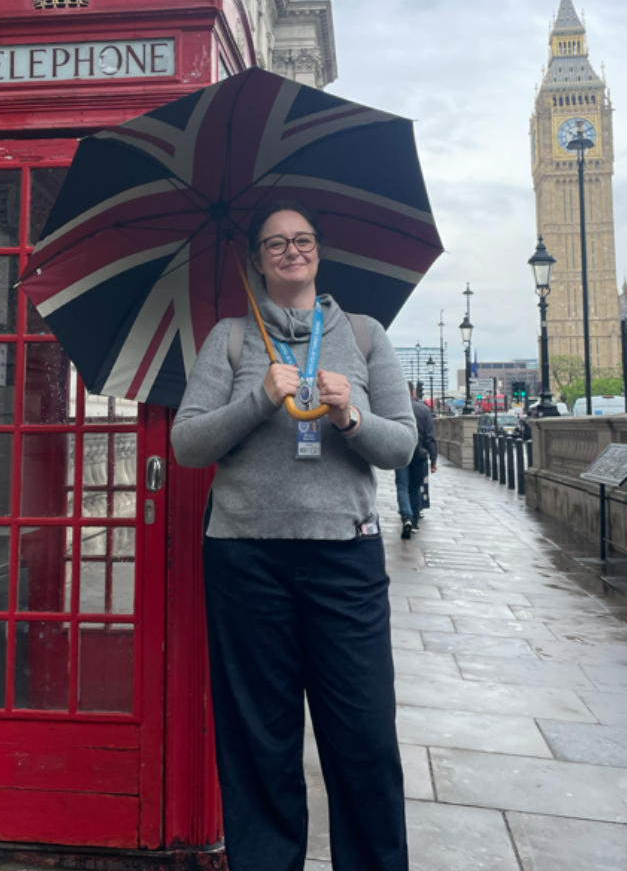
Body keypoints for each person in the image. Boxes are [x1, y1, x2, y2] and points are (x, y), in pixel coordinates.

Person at [171, 200, 417, 871]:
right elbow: (187, 443)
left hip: (345, 558)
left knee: (364, 738)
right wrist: (257, 398)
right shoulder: (229, 337)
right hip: (246, 559)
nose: (290, 251)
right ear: (255, 259)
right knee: (260, 743)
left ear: (319, 251)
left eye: (302, 239)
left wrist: (350, 414)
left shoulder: (364, 335)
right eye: (275, 243)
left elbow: (402, 446)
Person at [395, 384, 438, 538]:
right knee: (415, 487)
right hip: (419, 454)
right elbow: (430, 437)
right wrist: (433, 459)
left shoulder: (396, 409)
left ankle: (405, 516)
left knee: (402, 485)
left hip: (400, 452)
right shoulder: (423, 410)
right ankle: (413, 522)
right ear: (413, 392)